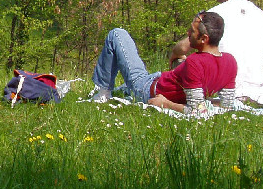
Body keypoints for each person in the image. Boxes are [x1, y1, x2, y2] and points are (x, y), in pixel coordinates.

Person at [91, 11, 237, 113]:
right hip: (161, 80)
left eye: (192, 31)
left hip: (146, 88)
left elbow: (196, 111)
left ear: (204, 39)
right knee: (126, 86)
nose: (187, 33)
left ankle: (103, 93)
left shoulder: (195, 62)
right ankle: (121, 88)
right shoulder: (230, 62)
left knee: (117, 34)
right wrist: (208, 103)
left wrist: (165, 104)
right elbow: (227, 105)